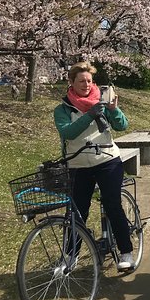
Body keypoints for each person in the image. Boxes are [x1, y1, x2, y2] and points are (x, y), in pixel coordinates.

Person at [53, 62, 135, 270]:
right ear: (71, 83)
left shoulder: (102, 102)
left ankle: (126, 253)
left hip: (107, 160)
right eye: (81, 81)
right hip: (78, 165)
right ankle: (71, 256)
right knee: (76, 212)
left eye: (89, 81)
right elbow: (68, 133)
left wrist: (114, 111)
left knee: (112, 204)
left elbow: (122, 125)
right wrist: (90, 115)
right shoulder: (63, 109)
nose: (86, 85)